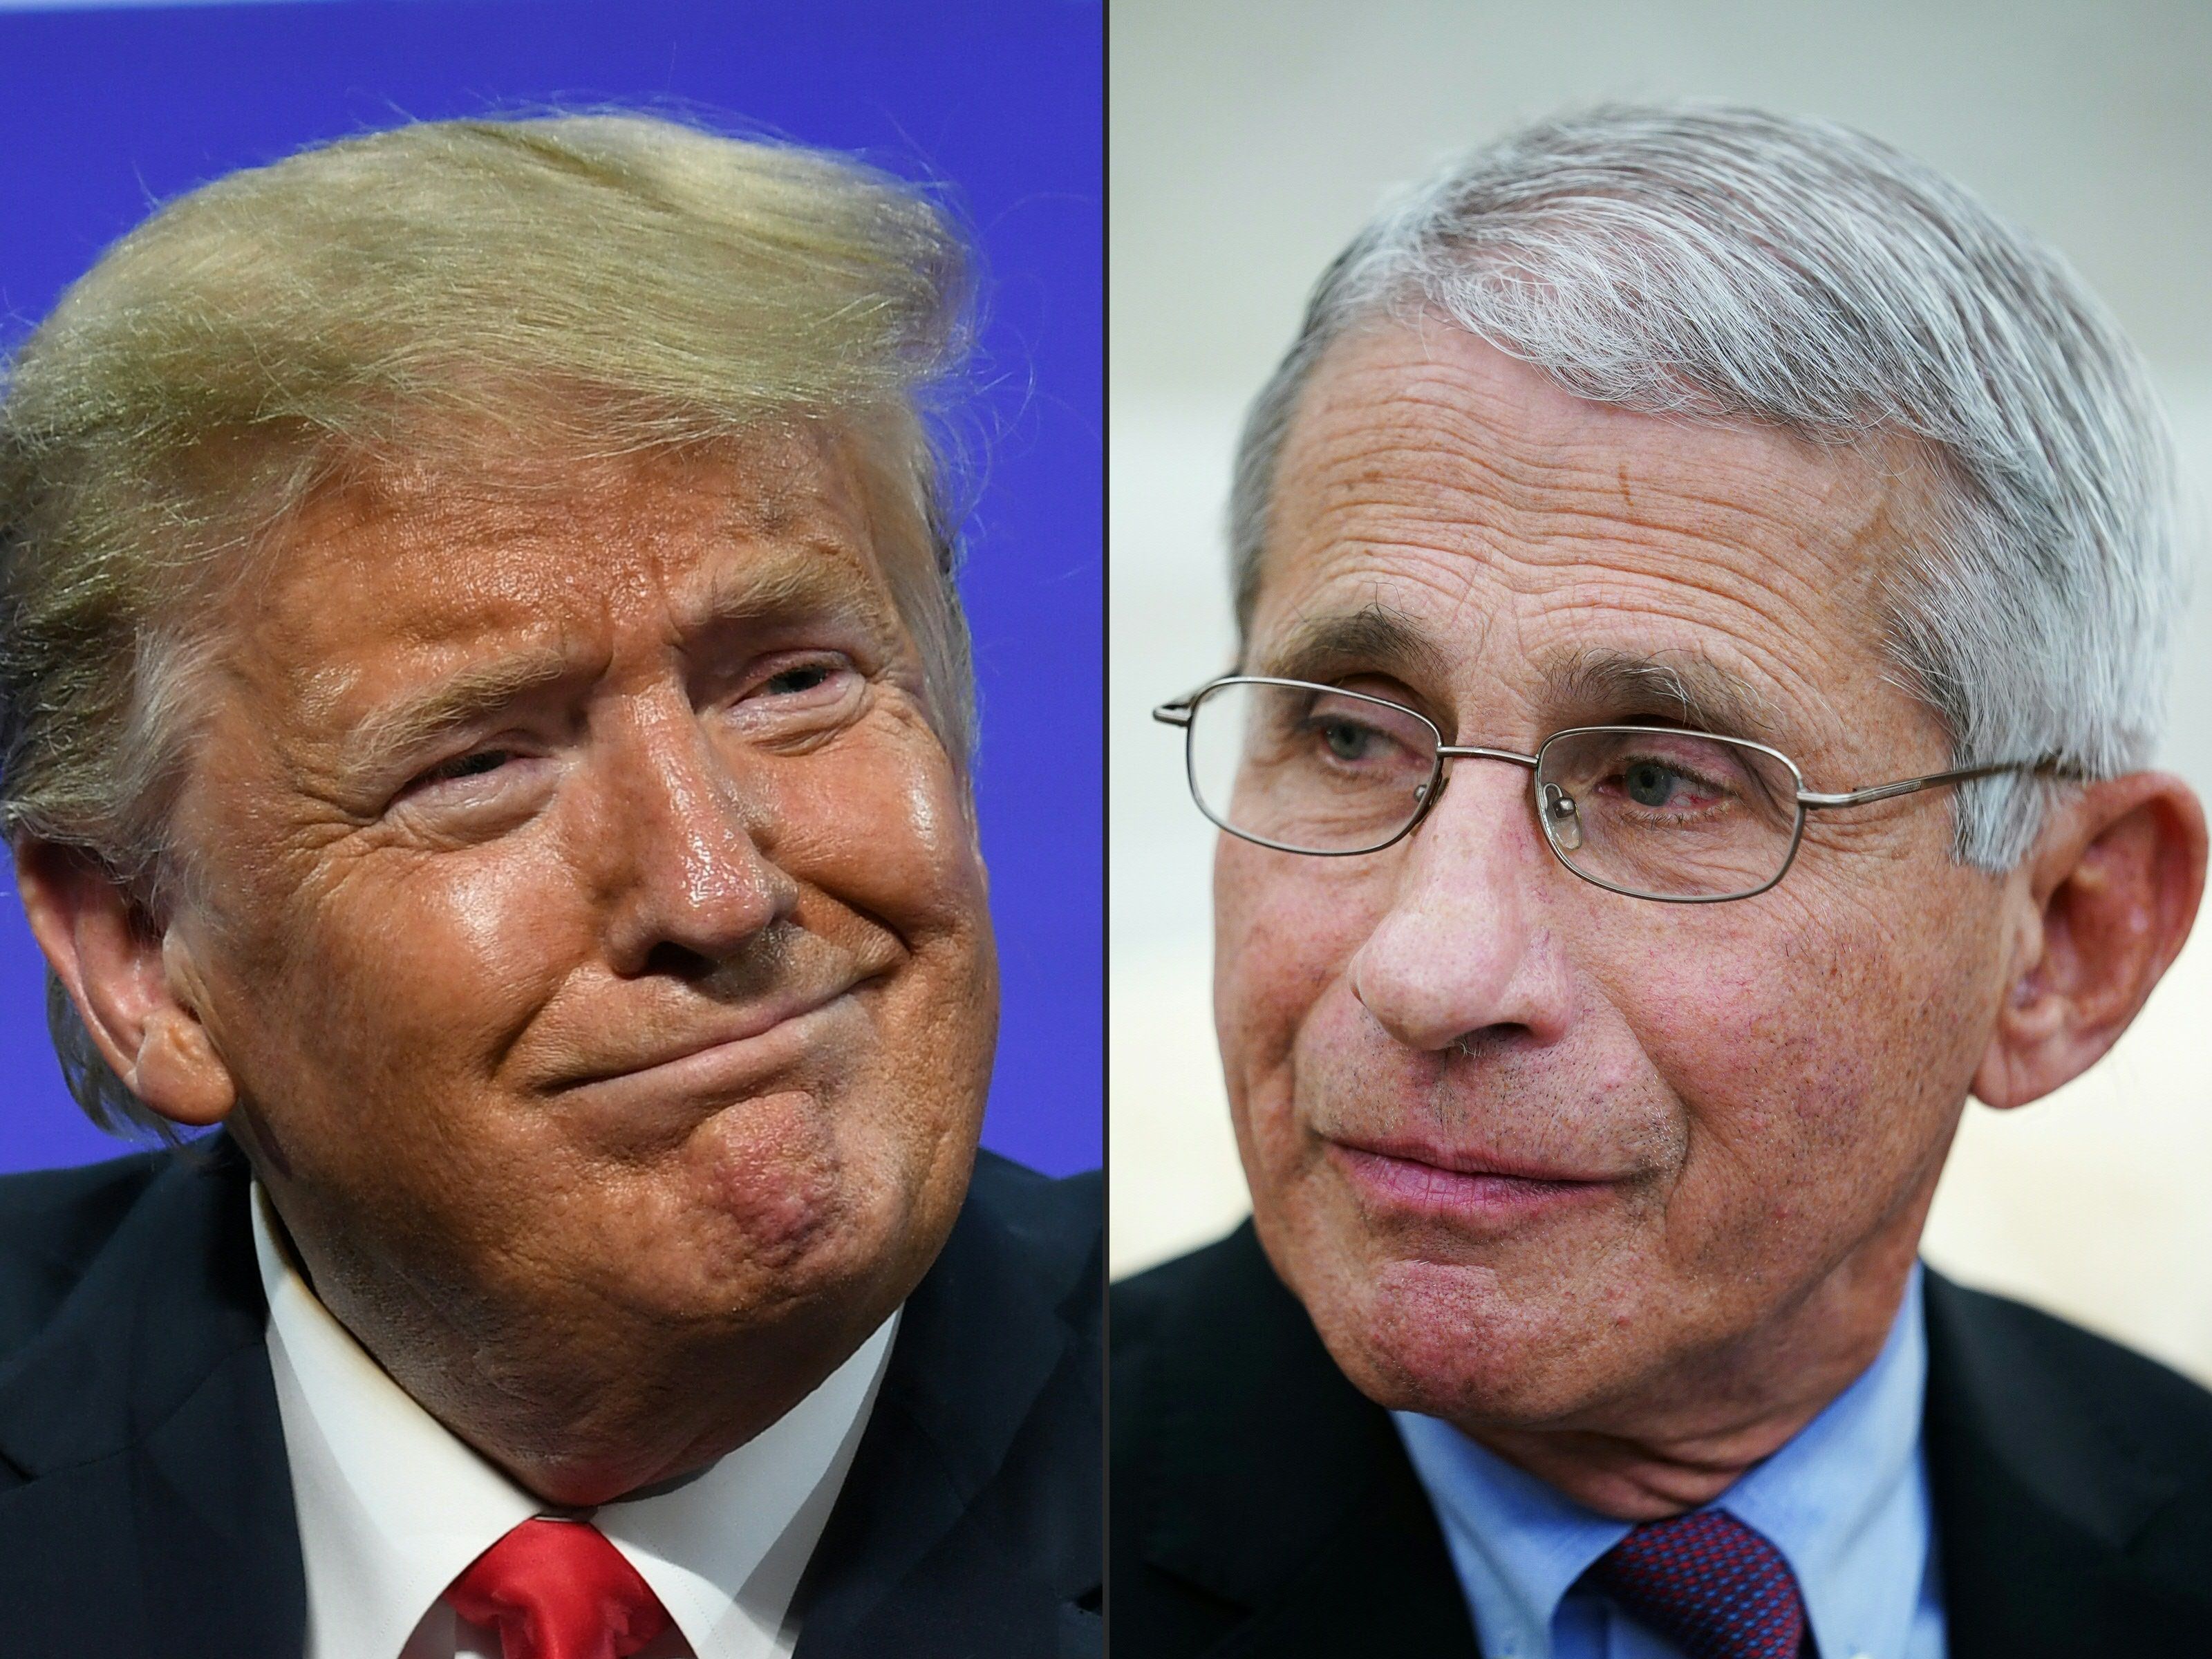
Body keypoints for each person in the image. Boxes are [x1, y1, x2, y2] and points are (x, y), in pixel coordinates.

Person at [1114, 103, 2212, 1658]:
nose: (1431, 970)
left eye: (1655, 783)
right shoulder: (967, 1550)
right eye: (1351, 736)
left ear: (2066, 939)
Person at [0, 114, 1099, 1658]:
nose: (714, 892)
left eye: (793, 679)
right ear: (139, 951)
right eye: (475, 765)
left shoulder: (1233, 1447)